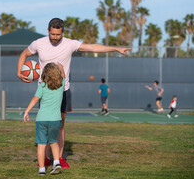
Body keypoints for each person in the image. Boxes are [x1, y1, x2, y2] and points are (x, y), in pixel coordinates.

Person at [17, 18, 131, 168]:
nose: (55, 37)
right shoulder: (38, 43)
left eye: (58, 34)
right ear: (48, 31)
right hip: (45, 92)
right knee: (45, 125)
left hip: (63, 91)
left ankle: (60, 158)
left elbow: (92, 47)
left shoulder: (70, 44)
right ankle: (45, 158)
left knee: (60, 125)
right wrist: (19, 72)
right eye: (53, 34)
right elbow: (24, 54)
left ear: (62, 32)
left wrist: (115, 49)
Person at [24, 62, 65, 175]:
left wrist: (27, 111)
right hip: (55, 120)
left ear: (44, 74)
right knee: (53, 142)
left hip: (42, 120)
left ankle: (42, 170)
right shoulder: (62, 85)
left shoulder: (42, 86)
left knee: (41, 145)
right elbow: (64, 76)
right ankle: (56, 162)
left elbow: (35, 99)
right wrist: (61, 68)